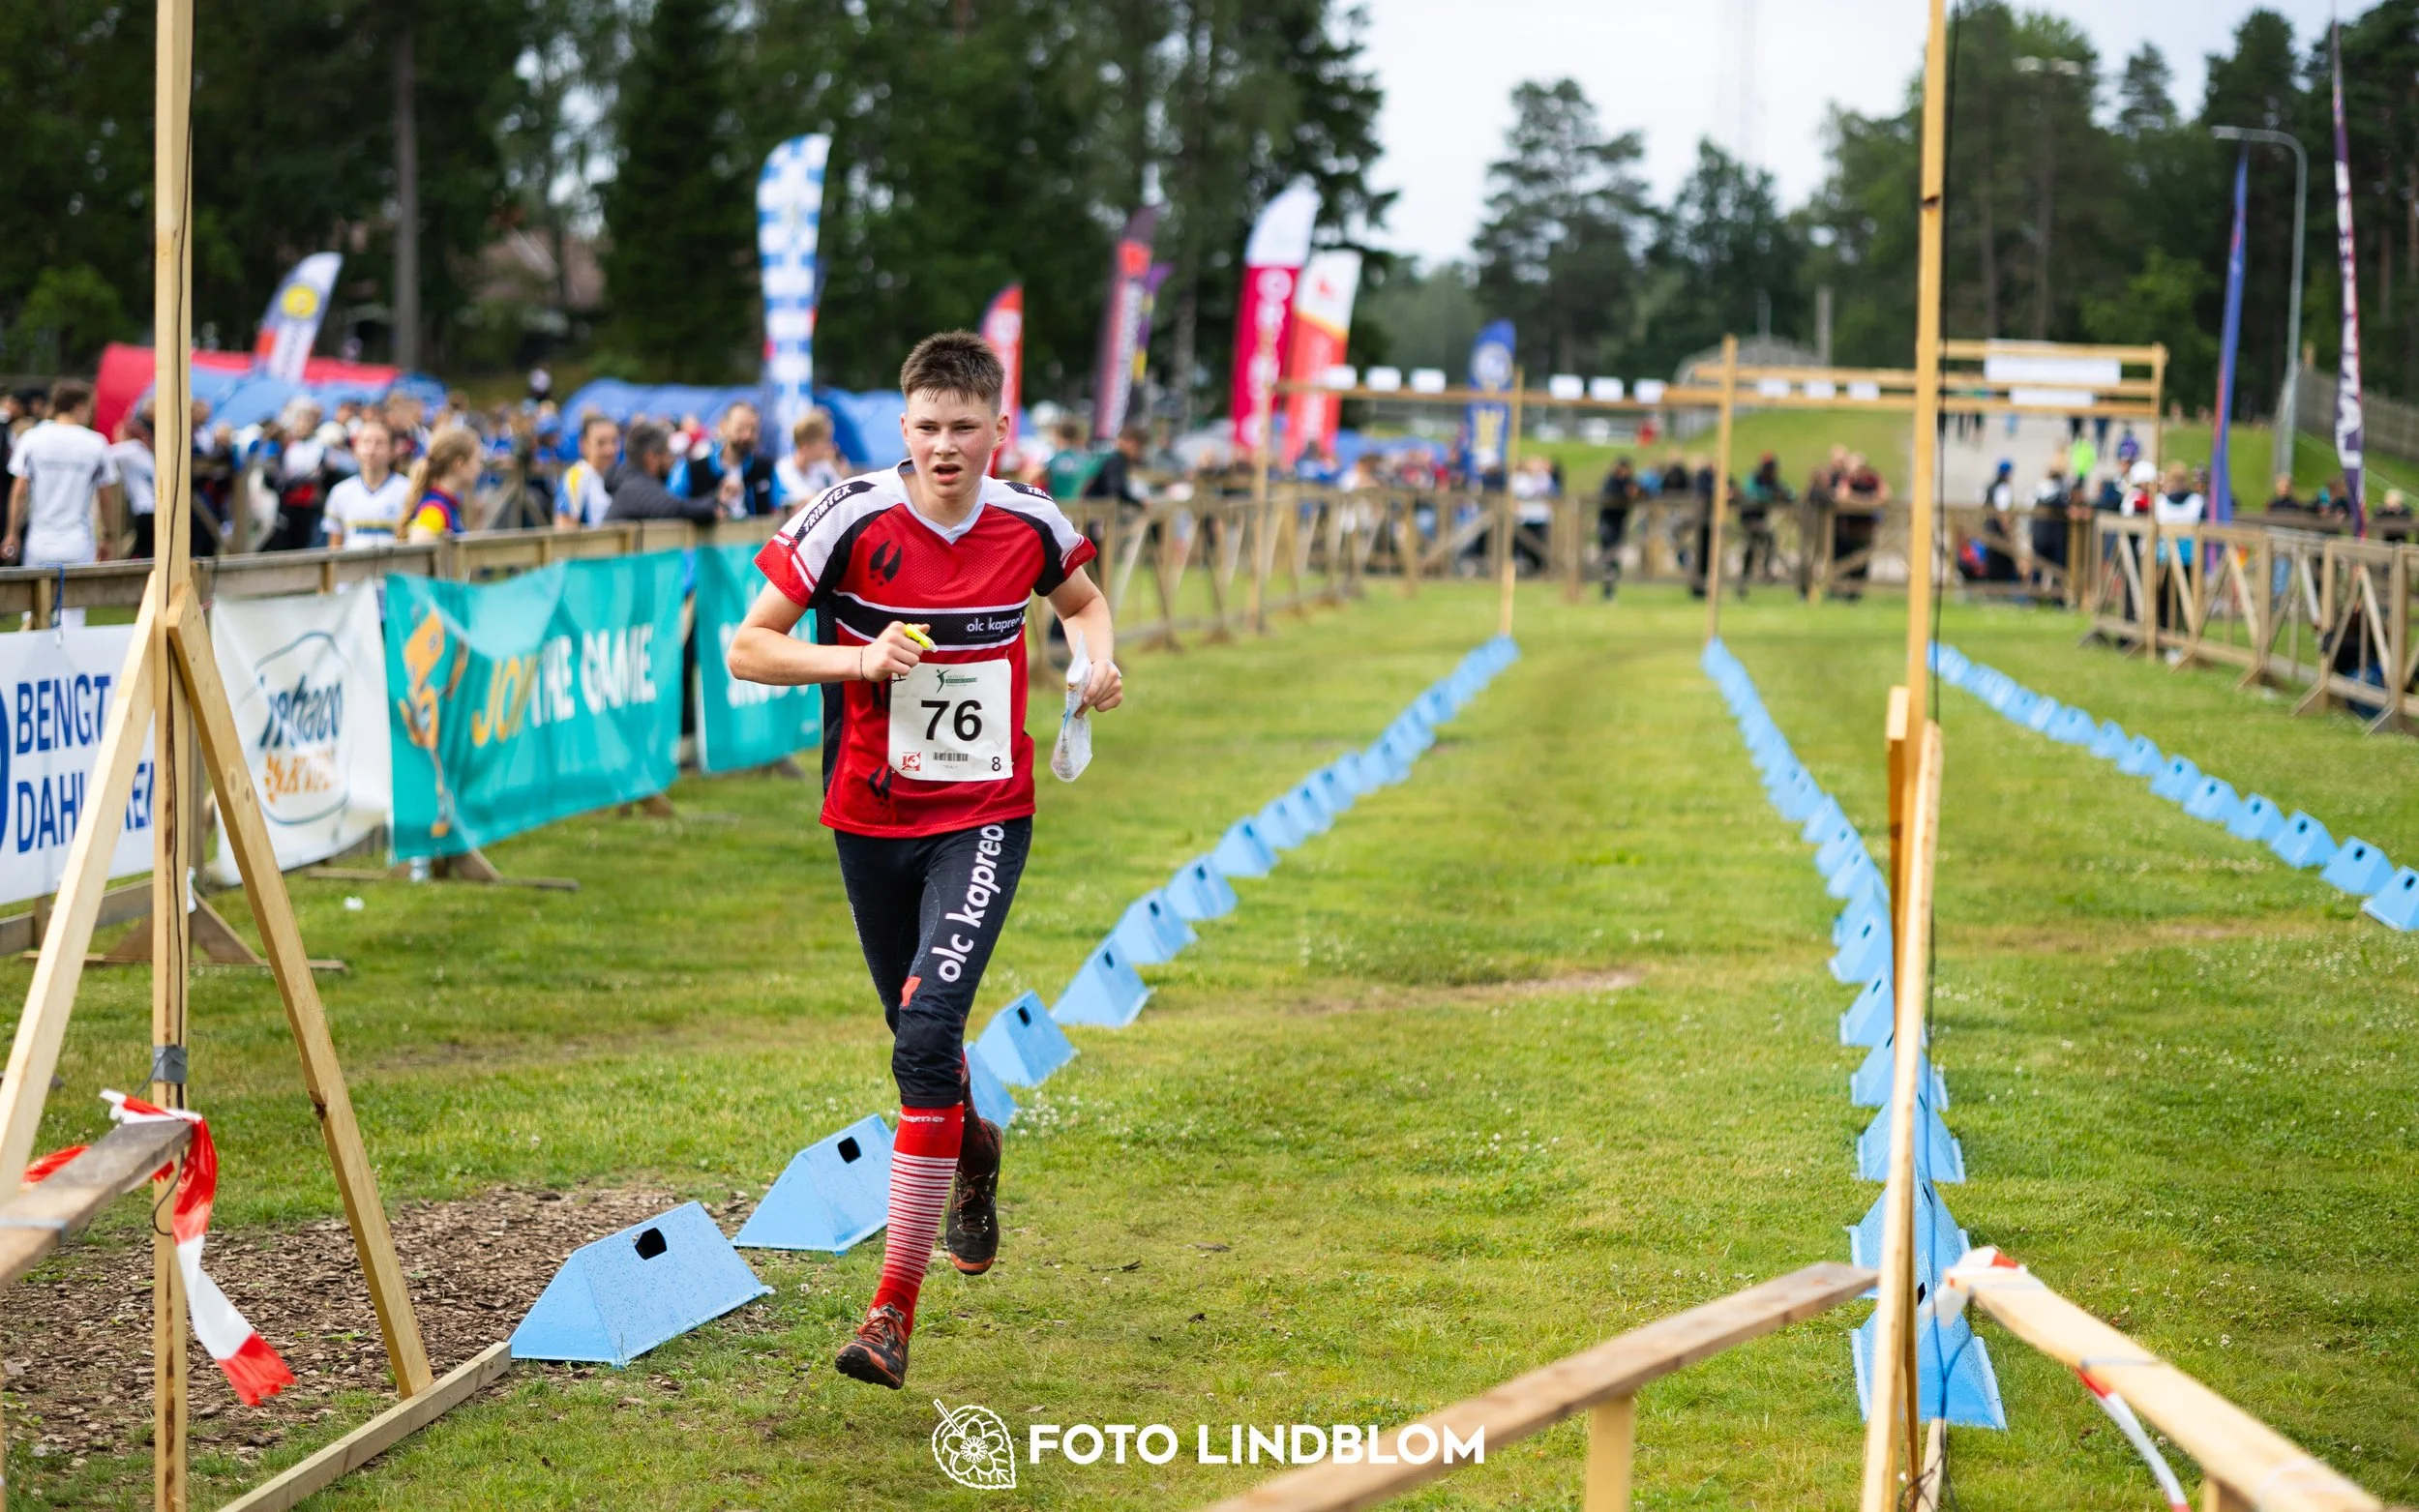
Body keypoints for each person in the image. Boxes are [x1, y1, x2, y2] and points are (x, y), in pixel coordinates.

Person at [727, 331, 1121, 1391]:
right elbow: (746, 645)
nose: (946, 448)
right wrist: (857, 656)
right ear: (903, 429)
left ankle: (890, 1312)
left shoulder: (1030, 519)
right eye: (928, 429)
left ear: (1000, 430)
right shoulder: (848, 516)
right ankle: (974, 1152)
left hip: (986, 814)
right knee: (916, 1041)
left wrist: (1097, 662)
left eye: (965, 428)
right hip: (869, 815)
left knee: (930, 1029)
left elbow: (1081, 603)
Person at [6, 380, 119, 609]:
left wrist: (11, 533)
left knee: (34, 610)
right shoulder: (95, 442)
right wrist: (108, 535)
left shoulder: (33, 438)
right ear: (79, 406)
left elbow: (19, 491)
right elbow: (106, 498)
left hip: (40, 539)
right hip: (78, 540)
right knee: (73, 612)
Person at [607, 420, 723, 523]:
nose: (672, 461)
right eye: (667, 455)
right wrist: (716, 502)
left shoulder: (628, 479)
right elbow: (676, 509)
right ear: (651, 459)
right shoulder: (636, 486)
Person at [327, 415, 412, 548]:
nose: (371, 450)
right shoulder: (340, 492)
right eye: (366, 442)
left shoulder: (408, 490)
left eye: (379, 443)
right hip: (352, 567)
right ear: (356, 449)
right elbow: (335, 546)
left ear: (392, 450)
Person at [266, 399, 337, 550]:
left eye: (307, 422)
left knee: (306, 540)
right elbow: (279, 473)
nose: (303, 426)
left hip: (309, 501)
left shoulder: (319, 446)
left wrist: (303, 477)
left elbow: (320, 473)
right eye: (300, 422)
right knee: (285, 540)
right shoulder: (286, 445)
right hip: (288, 500)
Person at [685, 402, 776, 518]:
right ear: (723, 426)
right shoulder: (692, 469)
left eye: (753, 430)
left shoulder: (767, 469)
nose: (747, 435)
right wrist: (714, 500)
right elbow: (677, 509)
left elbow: (778, 507)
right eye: (740, 429)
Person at [403, 425, 483, 543]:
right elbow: (418, 540)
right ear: (459, 464)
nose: (480, 468)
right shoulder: (435, 508)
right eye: (477, 460)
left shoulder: (447, 502)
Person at [555, 414, 621, 528]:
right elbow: (564, 529)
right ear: (584, 445)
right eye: (601, 443)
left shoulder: (623, 475)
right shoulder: (575, 477)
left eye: (614, 441)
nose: (610, 450)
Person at [111, 403, 158, 560]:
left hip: (145, 506)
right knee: (145, 547)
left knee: (142, 549)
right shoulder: (142, 450)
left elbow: (104, 455)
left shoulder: (131, 449)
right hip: (152, 505)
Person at [776, 410, 845, 507]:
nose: (831, 446)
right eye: (825, 440)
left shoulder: (824, 466)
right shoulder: (783, 469)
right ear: (806, 445)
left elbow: (842, 496)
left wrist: (839, 469)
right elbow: (809, 503)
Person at [1596, 456, 1636, 600]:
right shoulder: (1611, 481)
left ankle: (1610, 589)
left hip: (1618, 524)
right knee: (1609, 558)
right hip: (1608, 524)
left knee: (1615, 558)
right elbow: (1610, 496)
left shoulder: (1629, 482)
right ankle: (1607, 591)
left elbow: (1640, 493)